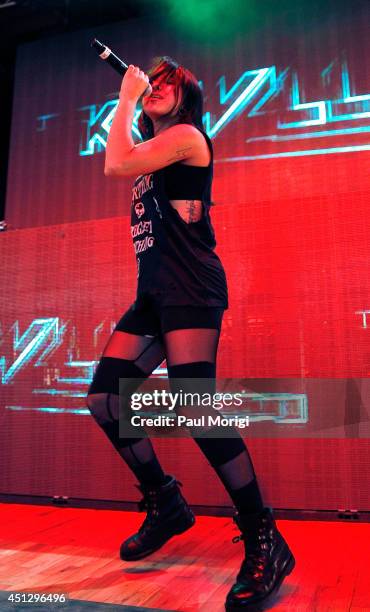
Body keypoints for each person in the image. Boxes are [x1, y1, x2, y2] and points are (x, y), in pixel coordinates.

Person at [86, 56, 295, 610]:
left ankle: (263, 537)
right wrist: (133, 103)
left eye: (165, 85)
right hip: (155, 295)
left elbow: (114, 166)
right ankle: (166, 502)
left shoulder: (186, 136)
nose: (154, 89)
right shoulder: (155, 156)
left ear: (186, 101)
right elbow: (126, 161)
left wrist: (127, 95)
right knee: (107, 399)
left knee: (194, 408)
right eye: (150, 83)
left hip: (192, 289)